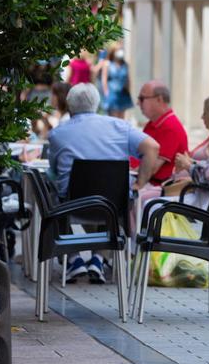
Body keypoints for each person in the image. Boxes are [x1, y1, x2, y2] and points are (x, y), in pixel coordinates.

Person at [47, 83, 160, 283]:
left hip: (73, 204)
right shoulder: (120, 127)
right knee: (112, 194)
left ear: (69, 106)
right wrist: (140, 183)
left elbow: (54, 171)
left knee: (49, 197)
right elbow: (152, 147)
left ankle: (74, 260)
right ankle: (99, 260)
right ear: (97, 104)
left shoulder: (57, 134)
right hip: (112, 205)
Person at [136, 81, 189, 188]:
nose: (138, 103)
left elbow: (151, 169)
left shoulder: (170, 127)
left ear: (159, 100)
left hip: (159, 186)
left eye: (142, 99)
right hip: (149, 182)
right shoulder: (153, 123)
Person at [172, 94, 209, 181]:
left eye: (205, 113)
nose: (202, 117)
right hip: (185, 186)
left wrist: (187, 164)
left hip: (191, 188)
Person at [101, 46, 134, 118]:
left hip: (123, 93)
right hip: (112, 93)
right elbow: (104, 79)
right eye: (118, 50)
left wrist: (129, 90)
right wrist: (106, 92)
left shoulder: (125, 64)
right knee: (113, 117)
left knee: (121, 117)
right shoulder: (108, 64)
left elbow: (128, 79)